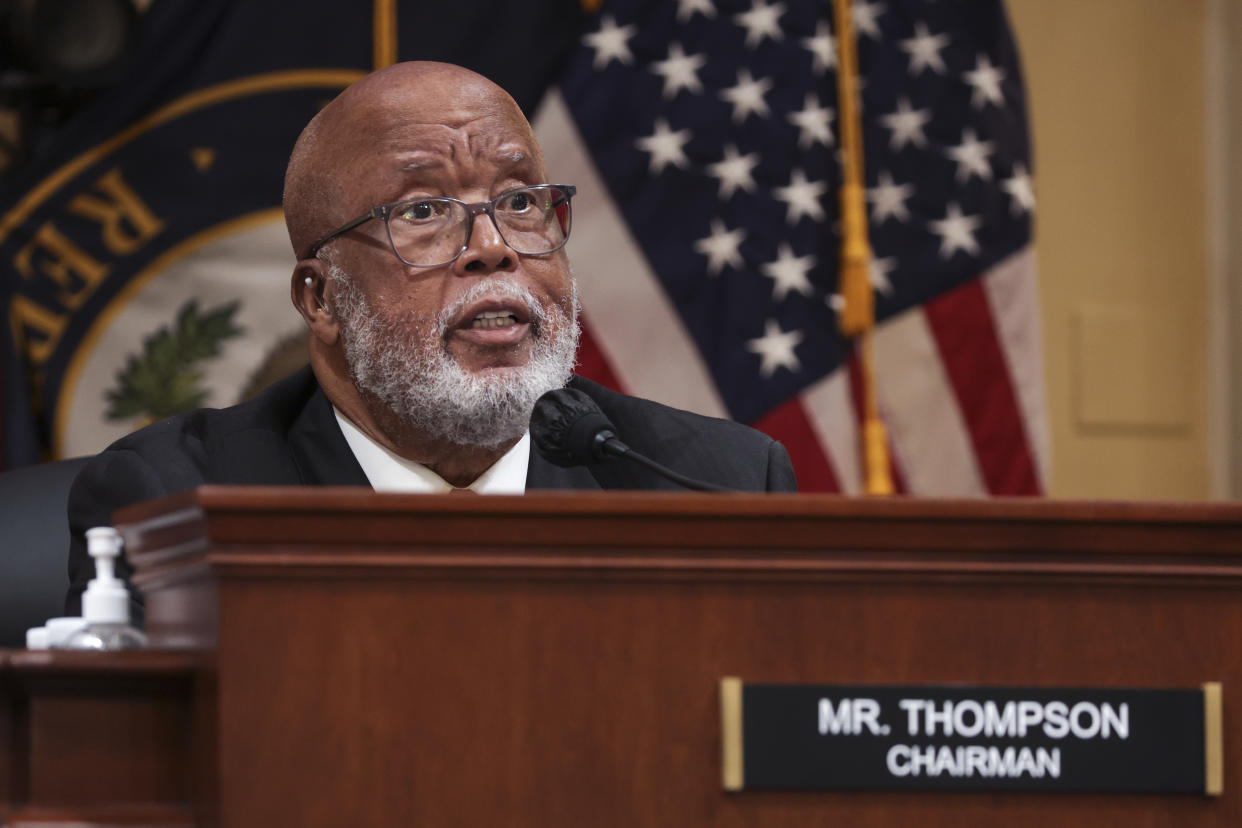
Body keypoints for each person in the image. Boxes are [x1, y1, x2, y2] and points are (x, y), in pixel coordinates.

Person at [66, 61, 796, 613]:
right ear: (321, 300)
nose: (493, 247)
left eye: (519, 202)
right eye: (421, 211)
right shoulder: (176, 506)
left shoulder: (716, 486)